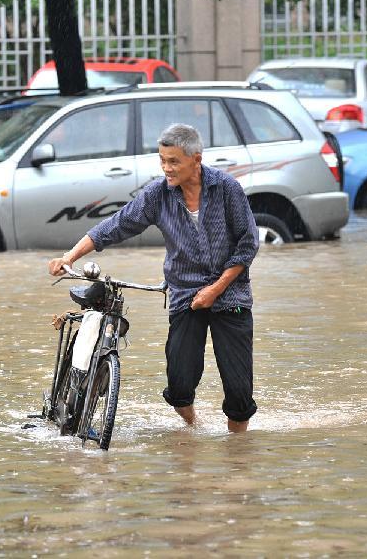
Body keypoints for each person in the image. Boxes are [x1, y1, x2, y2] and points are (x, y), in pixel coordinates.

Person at [47, 123, 259, 433]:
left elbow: (248, 243)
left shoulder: (227, 189)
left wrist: (216, 288)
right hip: (186, 296)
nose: (166, 168)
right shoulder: (158, 195)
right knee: (180, 386)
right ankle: (194, 430)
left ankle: (238, 458)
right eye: (162, 160)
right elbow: (115, 226)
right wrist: (69, 256)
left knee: (240, 394)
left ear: (196, 160)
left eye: (174, 161)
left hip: (230, 295)